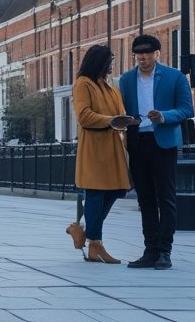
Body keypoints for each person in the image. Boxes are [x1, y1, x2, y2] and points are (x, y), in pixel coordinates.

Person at [117, 34, 194, 270]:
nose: (143, 57)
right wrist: (125, 121)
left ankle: (165, 251)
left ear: (157, 54)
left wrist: (163, 116)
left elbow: (186, 109)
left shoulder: (175, 77)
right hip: (138, 141)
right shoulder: (127, 79)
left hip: (163, 142)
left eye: (148, 53)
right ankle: (150, 250)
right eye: (139, 54)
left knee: (166, 199)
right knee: (145, 200)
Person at [68, 44, 134, 265]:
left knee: (116, 191)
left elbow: (120, 113)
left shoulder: (111, 88)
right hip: (95, 148)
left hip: (114, 148)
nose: (110, 66)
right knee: (96, 194)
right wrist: (111, 121)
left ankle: (83, 231)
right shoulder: (83, 84)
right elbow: (84, 116)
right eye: (108, 62)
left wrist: (127, 120)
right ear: (98, 62)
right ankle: (95, 246)